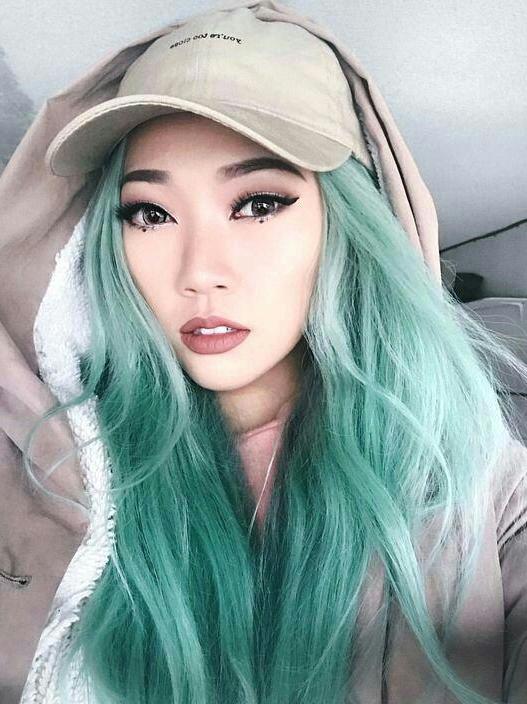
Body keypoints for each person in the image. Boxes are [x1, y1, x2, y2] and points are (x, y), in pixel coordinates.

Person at [1, 1, 527, 703]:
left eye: (257, 204)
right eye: (149, 214)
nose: (199, 271)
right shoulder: (40, 463)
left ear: (344, 225)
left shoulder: (482, 480)